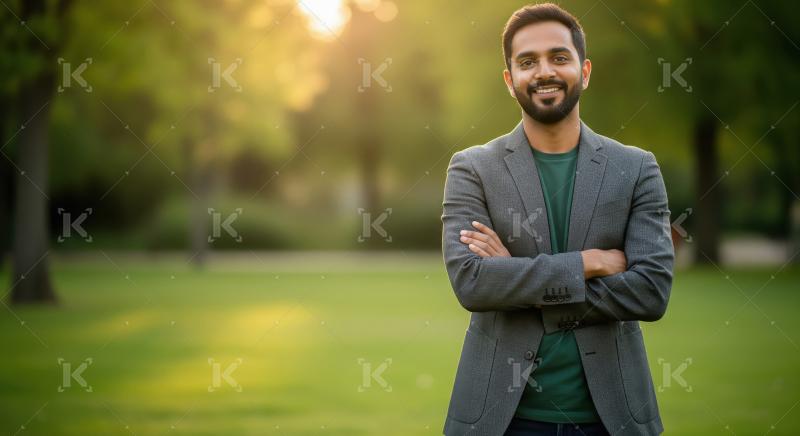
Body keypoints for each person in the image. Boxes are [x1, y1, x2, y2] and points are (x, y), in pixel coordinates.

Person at [440, 3, 674, 435]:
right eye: (527, 62)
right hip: (501, 418)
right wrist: (589, 263)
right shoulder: (472, 169)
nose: (543, 71)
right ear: (510, 81)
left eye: (558, 57)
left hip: (611, 418)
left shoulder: (636, 168)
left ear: (584, 71)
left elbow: (651, 292)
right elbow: (472, 283)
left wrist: (517, 281)